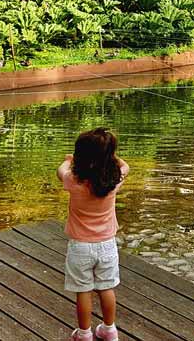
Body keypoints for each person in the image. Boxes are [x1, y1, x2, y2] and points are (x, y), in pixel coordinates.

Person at [58, 128, 130, 341]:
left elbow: (59, 170)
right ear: (109, 156)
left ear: (81, 156)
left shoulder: (74, 180)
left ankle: (84, 334)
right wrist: (109, 156)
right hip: (107, 245)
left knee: (83, 291)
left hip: (80, 247)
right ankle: (109, 330)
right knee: (106, 288)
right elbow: (126, 166)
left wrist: (70, 160)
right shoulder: (113, 181)